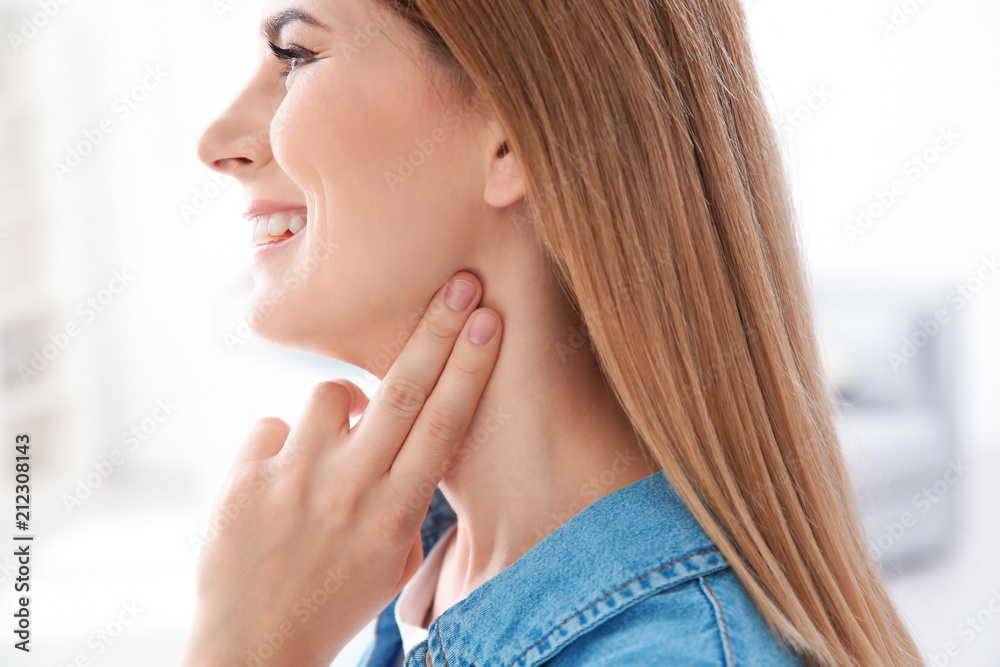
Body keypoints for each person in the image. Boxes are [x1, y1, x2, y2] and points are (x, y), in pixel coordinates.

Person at [183, 0, 924, 665]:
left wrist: (240, 650)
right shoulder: (417, 580)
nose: (215, 142)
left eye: (295, 54)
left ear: (511, 137)